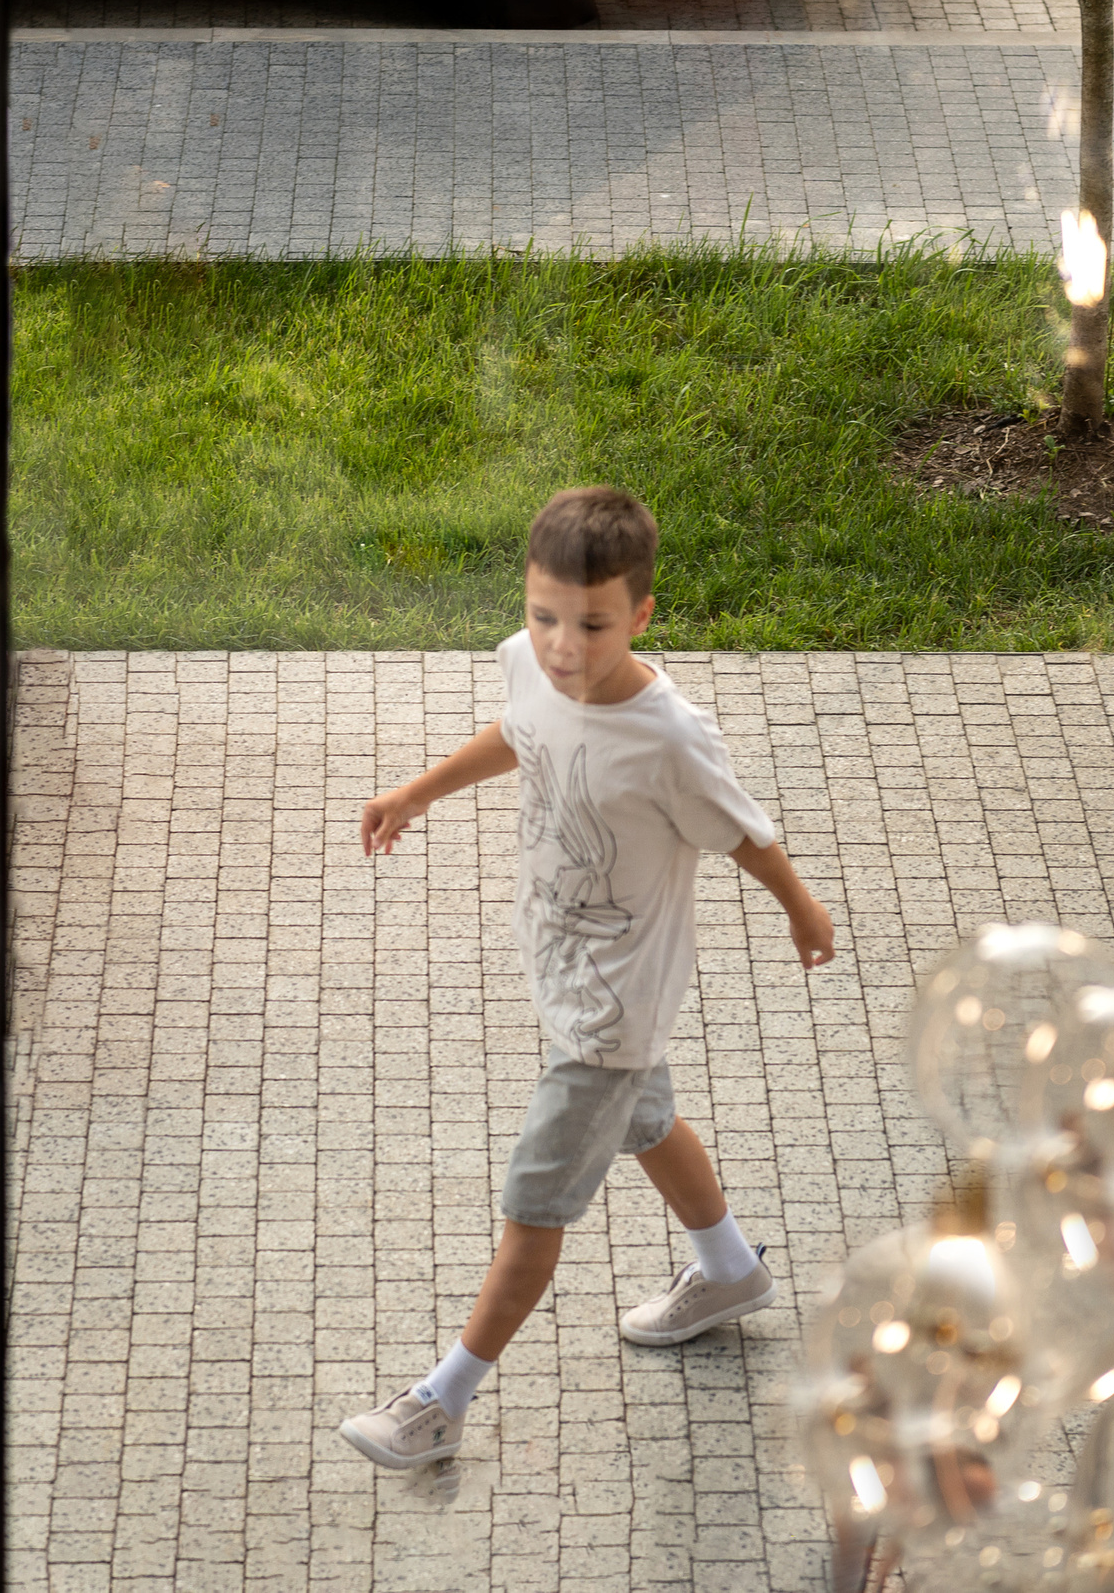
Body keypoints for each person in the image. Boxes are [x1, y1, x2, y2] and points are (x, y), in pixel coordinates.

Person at [337, 485, 837, 1470]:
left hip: (614, 1008)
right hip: (565, 970)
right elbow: (520, 732)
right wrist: (417, 790)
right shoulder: (531, 665)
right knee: (647, 1119)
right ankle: (729, 1271)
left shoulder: (670, 738)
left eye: (594, 626)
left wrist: (801, 906)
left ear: (643, 613)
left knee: (534, 1203)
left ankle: (440, 1404)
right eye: (545, 616)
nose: (564, 646)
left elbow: (739, 831)